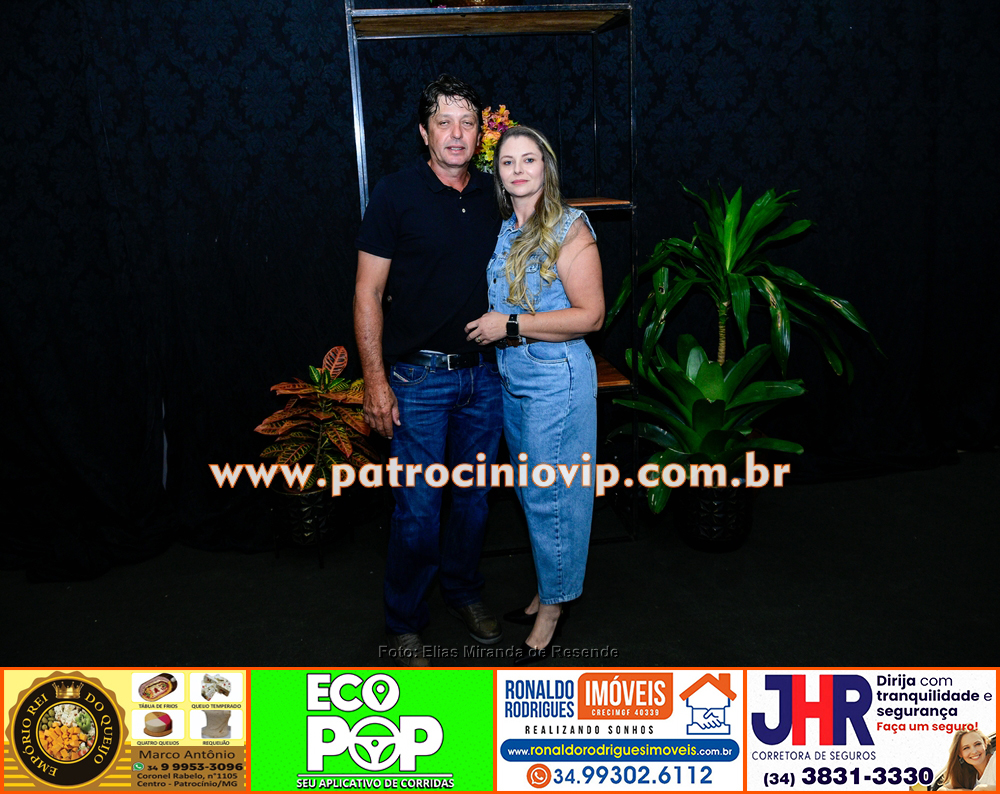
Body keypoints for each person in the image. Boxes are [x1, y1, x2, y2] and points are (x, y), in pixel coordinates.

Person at [354, 74, 504, 666]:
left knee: (473, 502)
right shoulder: (395, 194)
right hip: (418, 380)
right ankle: (405, 618)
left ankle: (464, 592)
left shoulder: (496, 191)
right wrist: (375, 381)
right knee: (417, 509)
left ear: (480, 132)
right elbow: (368, 293)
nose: (456, 133)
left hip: (486, 376)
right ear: (424, 132)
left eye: (467, 122)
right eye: (444, 122)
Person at [463, 125, 603, 664]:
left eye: (529, 159)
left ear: (546, 167)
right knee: (530, 494)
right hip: (513, 377)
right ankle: (550, 588)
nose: (518, 170)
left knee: (553, 496)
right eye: (507, 162)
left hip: (556, 379)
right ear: (497, 173)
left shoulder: (569, 228)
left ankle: (554, 609)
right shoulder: (507, 230)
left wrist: (510, 325)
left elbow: (591, 316)